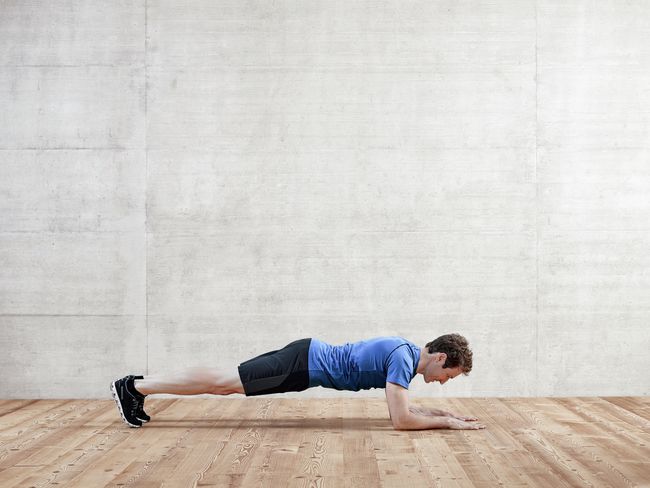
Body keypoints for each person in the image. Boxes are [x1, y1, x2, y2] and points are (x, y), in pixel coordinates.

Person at [111, 333, 485, 431]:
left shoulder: (402, 353)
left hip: (303, 361)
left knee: (226, 381)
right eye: (447, 376)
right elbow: (401, 420)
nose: (442, 383)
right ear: (439, 357)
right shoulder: (403, 358)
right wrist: (447, 422)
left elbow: (405, 408)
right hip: (302, 364)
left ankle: (138, 387)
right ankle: (135, 387)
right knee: (225, 383)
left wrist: (441, 413)